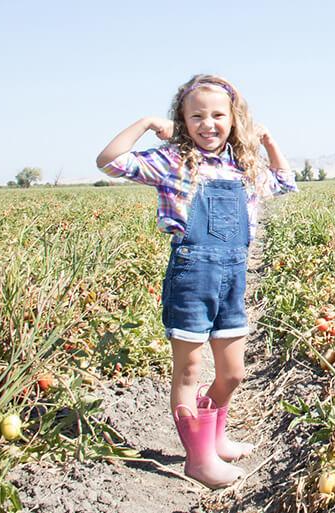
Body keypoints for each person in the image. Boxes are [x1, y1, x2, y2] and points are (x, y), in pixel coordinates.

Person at [96, 74, 297, 488]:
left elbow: (285, 183)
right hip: (191, 274)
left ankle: (215, 436)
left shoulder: (244, 166)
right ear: (183, 121)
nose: (208, 123)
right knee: (188, 371)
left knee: (233, 372)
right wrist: (150, 123)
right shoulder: (173, 162)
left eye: (218, 115)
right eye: (197, 116)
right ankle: (199, 458)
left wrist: (268, 142)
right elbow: (110, 160)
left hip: (232, 278)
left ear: (233, 119)